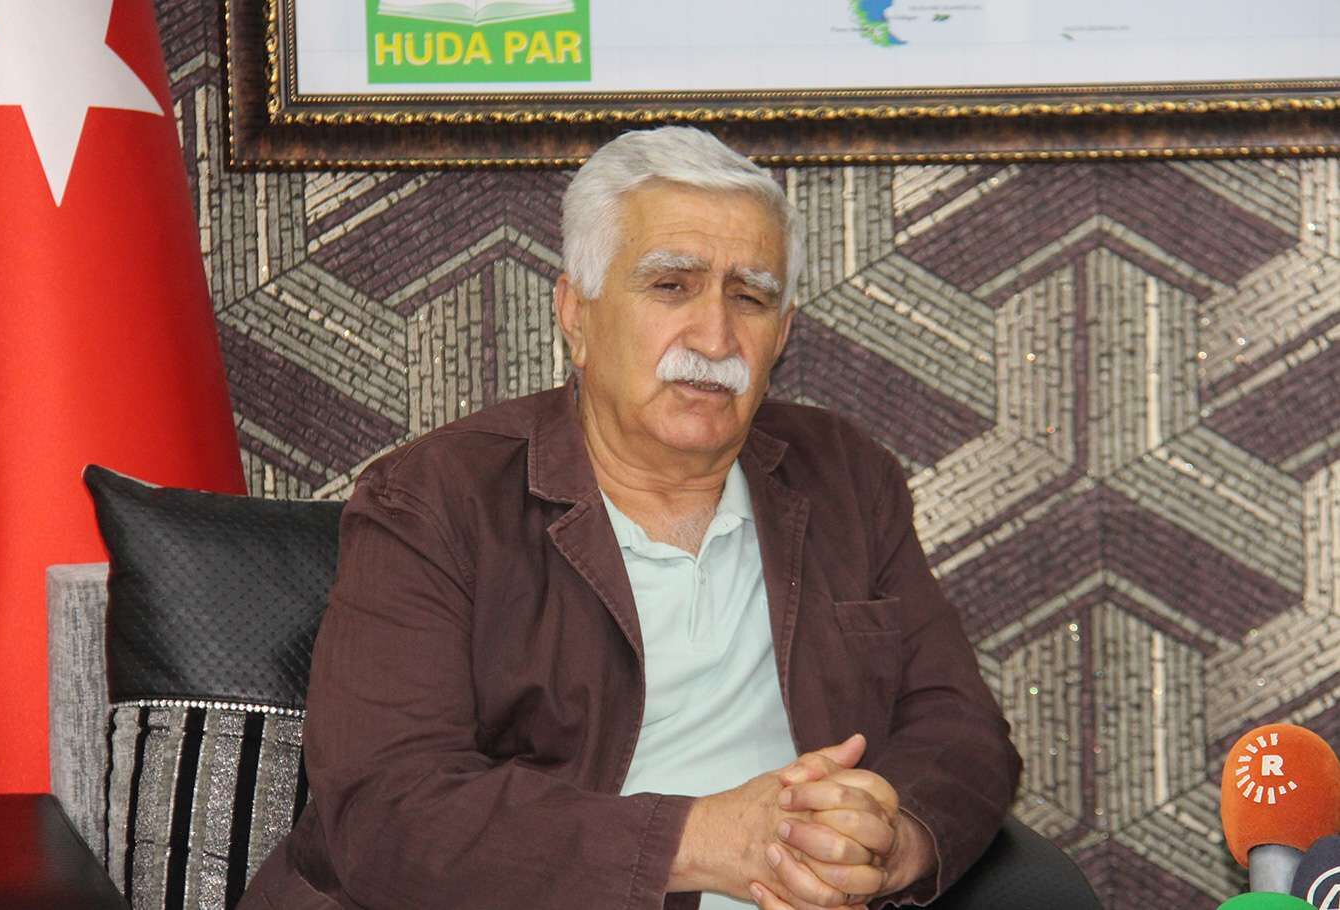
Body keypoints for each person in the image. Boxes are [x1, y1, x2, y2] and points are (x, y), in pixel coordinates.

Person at [242, 126, 1020, 910]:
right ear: (577, 315)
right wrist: (702, 841)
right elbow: (388, 813)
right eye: (671, 286)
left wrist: (888, 838)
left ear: (782, 334)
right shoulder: (436, 495)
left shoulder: (844, 474)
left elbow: (960, 726)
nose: (714, 337)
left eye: (749, 298)